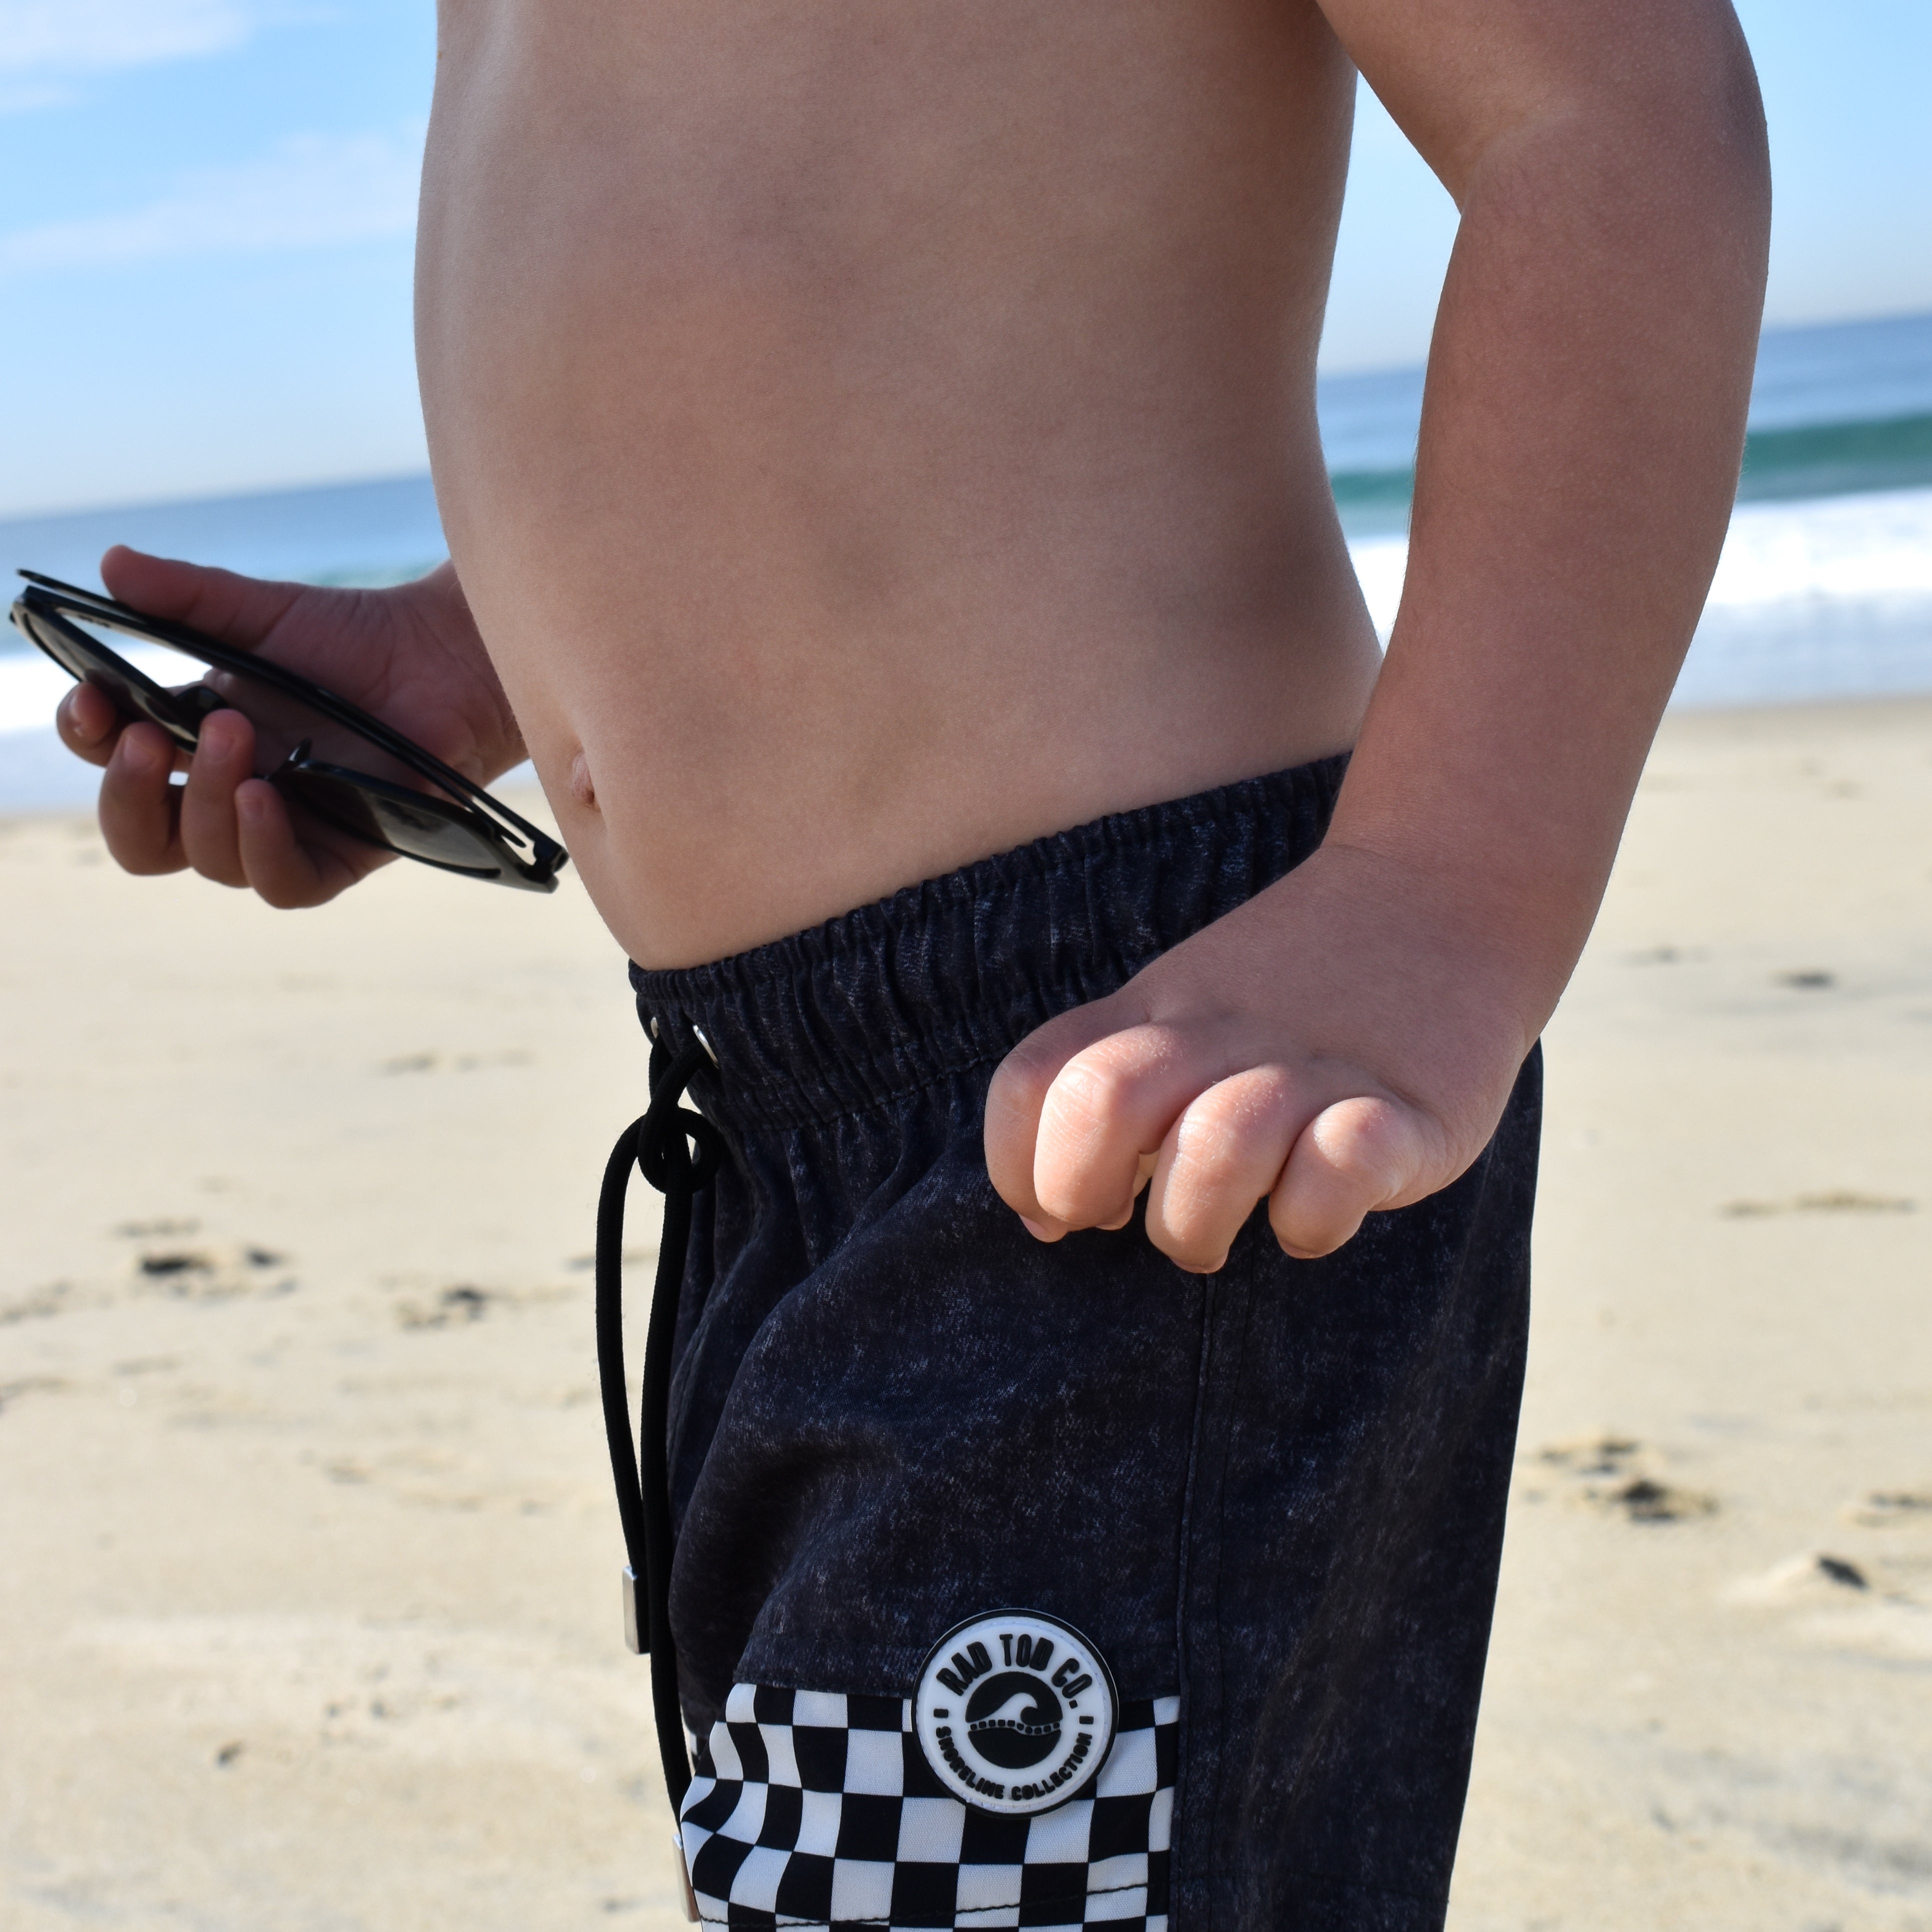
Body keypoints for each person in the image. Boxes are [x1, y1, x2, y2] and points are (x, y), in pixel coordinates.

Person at [54, 0, 1768, 1924]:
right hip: (769, 1121)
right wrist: (494, 652)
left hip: (1156, 1078)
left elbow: (1610, 119)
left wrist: (1444, 886)